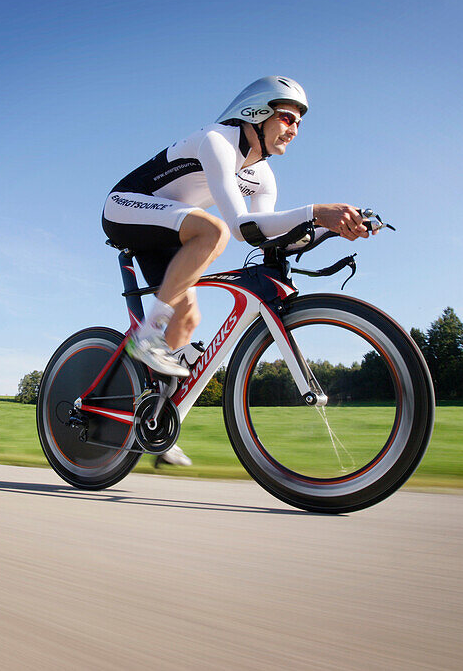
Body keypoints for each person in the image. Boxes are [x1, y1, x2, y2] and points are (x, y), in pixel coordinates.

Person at [101, 76, 371, 466]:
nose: (294, 130)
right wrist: (316, 210)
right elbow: (242, 228)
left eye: (299, 123)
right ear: (256, 112)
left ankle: (156, 423)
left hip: (170, 231)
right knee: (213, 231)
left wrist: (330, 227)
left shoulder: (263, 176)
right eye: (286, 118)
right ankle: (146, 337)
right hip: (127, 207)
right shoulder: (217, 140)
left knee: (189, 317)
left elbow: (267, 235)